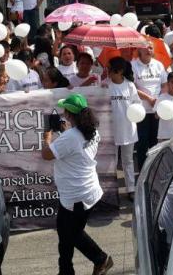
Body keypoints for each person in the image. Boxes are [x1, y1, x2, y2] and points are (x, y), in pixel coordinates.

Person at [40, 93, 113, 275]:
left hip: (76, 196)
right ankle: (66, 270)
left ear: (68, 113)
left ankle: (101, 259)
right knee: (65, 233)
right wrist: (65, 132)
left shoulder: (71, 136)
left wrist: (46, 137)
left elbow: (46, 155)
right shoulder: (92, 129)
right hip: (86, 190)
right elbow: (77, 148)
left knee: (72, 234)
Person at [106, 57, 152, 196]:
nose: (107, 72)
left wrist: (135, 110)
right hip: (110, 130)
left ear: (119, 71)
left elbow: (137, 104)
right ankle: (110, 191)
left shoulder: (130, 85)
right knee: (110, 161)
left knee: (128, 160)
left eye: (110, 69)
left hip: (128, 129)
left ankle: (131, 189)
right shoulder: (105, 85)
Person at [131, 44, 166, 169]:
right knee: (142, 143)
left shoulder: (159, 65)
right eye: (145, 47)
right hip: (141, 111)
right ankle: (142, 171)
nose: (148, 49)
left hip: (157, 110)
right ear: (139, 49)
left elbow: (165, 85)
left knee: (155, 143)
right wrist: (149, 99)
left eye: (151, 47)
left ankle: (155, 170)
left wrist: (159, 99)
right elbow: (132, 87)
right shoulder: (133, 65)